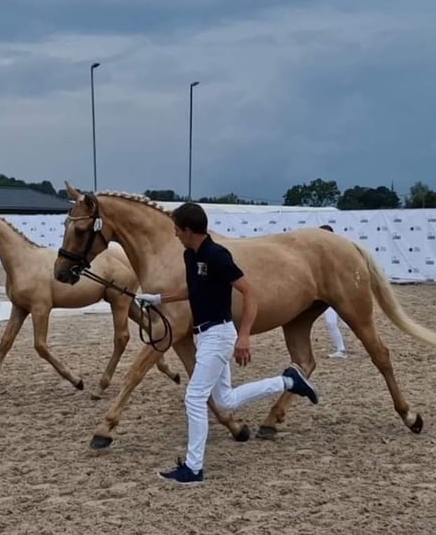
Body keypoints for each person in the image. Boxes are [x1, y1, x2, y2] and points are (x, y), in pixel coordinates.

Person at [134, 202, 318, 485]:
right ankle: (289, 382)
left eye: (177, 230)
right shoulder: (190, 255)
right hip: (205, 335)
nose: (175, 235)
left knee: (194, 398)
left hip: (220, 335)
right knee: (225, 400)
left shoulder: (218, 255)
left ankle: (194, 469)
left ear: (188, 230)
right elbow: (193, 291)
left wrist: (244, 336)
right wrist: (158, 299)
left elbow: (249, 292)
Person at [318, 225, 347, 359]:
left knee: (331, 322)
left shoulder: (338, 253)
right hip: (329, 292)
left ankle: (341, 350)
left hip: (336, 292)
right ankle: (341, 349)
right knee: (333, 321)